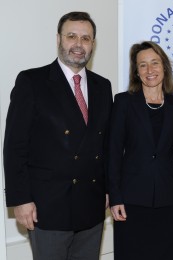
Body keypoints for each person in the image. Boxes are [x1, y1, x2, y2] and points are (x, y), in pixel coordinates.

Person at [3, 11, 113, 260]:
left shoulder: (102, 86)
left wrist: (108, 190)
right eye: (71, 36)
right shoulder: (32, 81)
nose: (78, 44)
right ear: (58, 39)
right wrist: (20, 200)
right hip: (47, 208)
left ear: (93, 44)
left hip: (91, 205)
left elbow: (104, 145)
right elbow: (15, 146)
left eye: (86, 38)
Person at [108, 41, 173, 260]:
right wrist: (115, 197)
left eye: (154, 63)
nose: (149, 70)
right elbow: (113, 153)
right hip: (130, 199)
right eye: (142, 65)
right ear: (136, 71)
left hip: (168, 198)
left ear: (164, 66)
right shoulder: (123, 102)